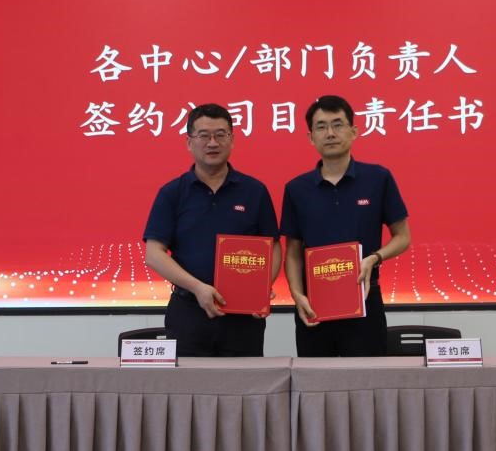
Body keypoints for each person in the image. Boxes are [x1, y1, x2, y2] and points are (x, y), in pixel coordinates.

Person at [143, 103, 281, 357]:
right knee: (187, 383)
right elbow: (154, 254)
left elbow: (273, 247)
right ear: (189, 142)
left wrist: (261, 288)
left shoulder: (254, 191)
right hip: (188, 311)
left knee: (245, 382)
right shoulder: (172, 193)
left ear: (232, 139)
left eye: (220, 134)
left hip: (242, 317)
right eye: (204, 135)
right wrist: (198, 288)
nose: (213, 143)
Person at [280, 95, 411, 357]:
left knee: (366, 378)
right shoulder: (296, 189)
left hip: (365, 297)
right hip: (314, 303)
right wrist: (296, 295)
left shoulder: (378, 178)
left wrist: (374, 258)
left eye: (338, 124)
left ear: (354, 131)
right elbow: (292, 253)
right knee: (315, 380)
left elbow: (403, 237)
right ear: (311, 137)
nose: (330, 133)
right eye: (321, 127)